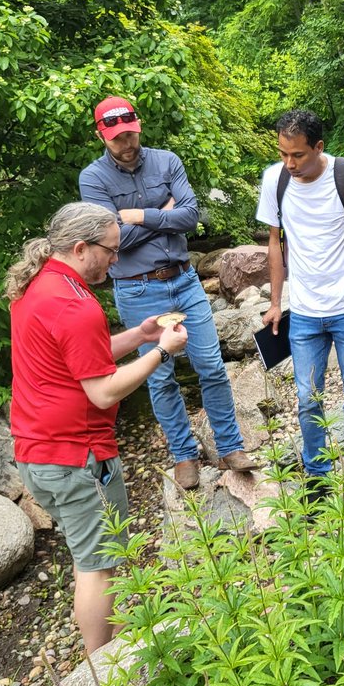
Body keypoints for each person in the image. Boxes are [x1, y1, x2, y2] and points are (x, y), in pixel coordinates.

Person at [6, 202, 189, 653]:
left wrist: (140, 335)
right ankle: (102, 675)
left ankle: (116, 646)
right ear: (81, 246)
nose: (116, 259)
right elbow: (104, 392)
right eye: (111, 250)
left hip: (37, 451)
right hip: (77, 458)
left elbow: (81, 356)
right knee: (99, 566)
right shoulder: (73, 303)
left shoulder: (40, 285)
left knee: (92, 557)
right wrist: (162, 352)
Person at [78, 96, 255, 491]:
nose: (126, 143)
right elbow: (114, 241)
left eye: (130, 133)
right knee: (160, 378)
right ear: (101, 136)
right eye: (116, 138)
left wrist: (140, 216)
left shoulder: (167, 160)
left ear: (138, 125)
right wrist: (164, 215)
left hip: (185, 279)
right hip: (138, 289)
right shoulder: (92, 178)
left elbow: (191, 217)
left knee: (211, 365)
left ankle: (230, 447)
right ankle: (184, 455)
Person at [257, 109, 344, 483]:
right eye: (282, 153)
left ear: (319, 147)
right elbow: (275, 243)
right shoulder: (274, 180)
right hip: (306, 311)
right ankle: (317, 476)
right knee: (308, 397)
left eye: (298, 155)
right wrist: (277, 302)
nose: (289, 163)